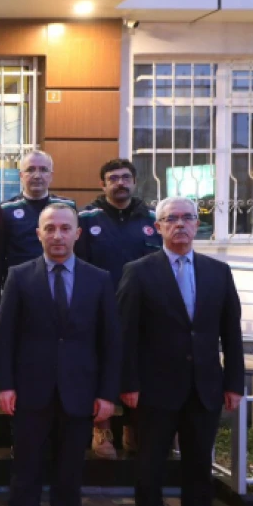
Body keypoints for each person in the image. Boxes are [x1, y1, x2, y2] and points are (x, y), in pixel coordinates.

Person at [118, 196, 245, 506]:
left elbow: (231, 333)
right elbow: (125, 334)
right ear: (158, 227)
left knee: (199, 467)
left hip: (204, 387)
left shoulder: (218, 272)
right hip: (154, 388)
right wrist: (128, 382)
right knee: (150, 466)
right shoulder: (138, 272)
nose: (180, 224)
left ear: (196, 225)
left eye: (187, 218)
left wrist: (234, 382)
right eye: (171, 219)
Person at [0, 203, 122, 506]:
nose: (57, 235)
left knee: (70, 473)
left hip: (79, 392)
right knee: (26, 471)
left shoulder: (99, 279)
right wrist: (5, 385)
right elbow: (6, 338)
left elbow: (110, 341)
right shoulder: (19, 276)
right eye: (49, 228)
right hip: (31, 391)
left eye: (65, 228)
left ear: (77, 234)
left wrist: (107, 393)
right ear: (38, 234)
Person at [76, 158, 162, 459]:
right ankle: (102, 429)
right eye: (113, 178)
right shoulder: (86, 219)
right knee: (101, 370)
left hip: (144, 312)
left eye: (126, 177)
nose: (120, 183)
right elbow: (79, 266)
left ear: (134, 182)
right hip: (100, 308)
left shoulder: (153, 220)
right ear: (103, 184)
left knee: (139, 370)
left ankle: (132, 427)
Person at [0, 150, 76, 323]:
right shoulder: (6, 210)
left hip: (60, 288)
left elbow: (79, 251)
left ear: (51, 175)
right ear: (21, 175)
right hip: (19, 289)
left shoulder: (67, 207)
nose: (37, 175)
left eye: (43, 170)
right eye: (30, 170)